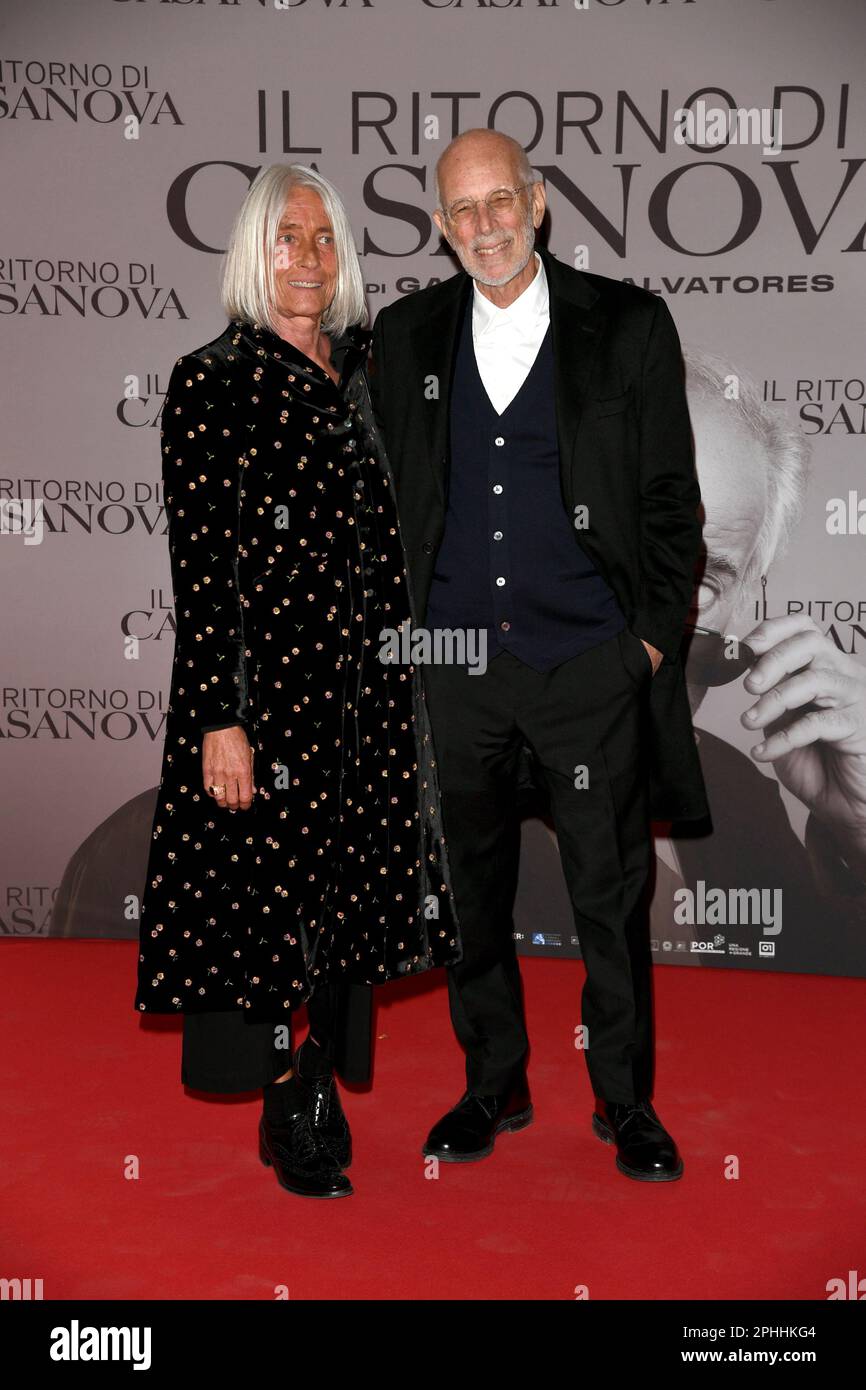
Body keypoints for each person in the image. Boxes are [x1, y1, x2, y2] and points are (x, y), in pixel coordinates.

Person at [369, 128, 709, 1182]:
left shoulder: (629, 328)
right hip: (457, 675)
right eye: (460, 210)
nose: (484, 226)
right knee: (471, 896)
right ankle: (492, 1083)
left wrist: (643, 648)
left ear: (538, 200)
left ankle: (622, 1101)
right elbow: (379, 507)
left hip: (589, 673)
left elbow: (668, 508)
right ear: (439, 226)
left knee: (608, 900)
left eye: (499, 201)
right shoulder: (404, 337)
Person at [135, 163, 461, 1199]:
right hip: (267, 704)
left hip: (365, 703)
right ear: (250, 253)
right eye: (286, 239)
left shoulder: (364, 374)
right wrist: (218, 721)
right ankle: (287, 1103)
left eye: (323, 239)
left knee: (349, 900)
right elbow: (202, 569)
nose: (308, 258)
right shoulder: (211, 380)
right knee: (263, 913)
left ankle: (317, 1064)